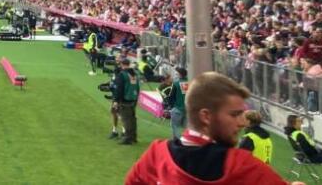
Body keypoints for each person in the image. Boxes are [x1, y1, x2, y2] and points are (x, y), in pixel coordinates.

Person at [126, 72, 295, 185]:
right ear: (206, 116)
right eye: (235, 114)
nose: (243, 122)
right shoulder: (241, 166)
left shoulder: (156, 155)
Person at [114, 58, 140, 145]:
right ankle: (133, 137)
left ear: (122, 64)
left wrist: (116, 100)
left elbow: (119, 89)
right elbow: (137, 87)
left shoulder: (122, 75)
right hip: (133, 99)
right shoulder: (135, 74)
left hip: (125, 100)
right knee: (132, 120)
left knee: (126, 120)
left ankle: (127, 138)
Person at [161, 67, 189, 140]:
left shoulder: (176, 84)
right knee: (186, 127)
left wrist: (170, 105)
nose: (176, 74)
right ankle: (187, 141)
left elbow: (171, 96)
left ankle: (177, 143)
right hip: (187, 109)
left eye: (177, 73)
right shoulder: (190, 83)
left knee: (175, 126)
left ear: (180, 74)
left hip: (178, 108)